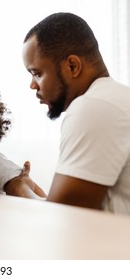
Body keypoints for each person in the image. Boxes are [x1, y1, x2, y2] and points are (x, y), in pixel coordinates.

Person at [22, 12, 130, 215]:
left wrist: (20, 188)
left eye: (37, 73)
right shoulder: (117, 98)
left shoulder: (93, 107)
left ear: (72, 66)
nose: (32, 85)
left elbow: (64, 216)